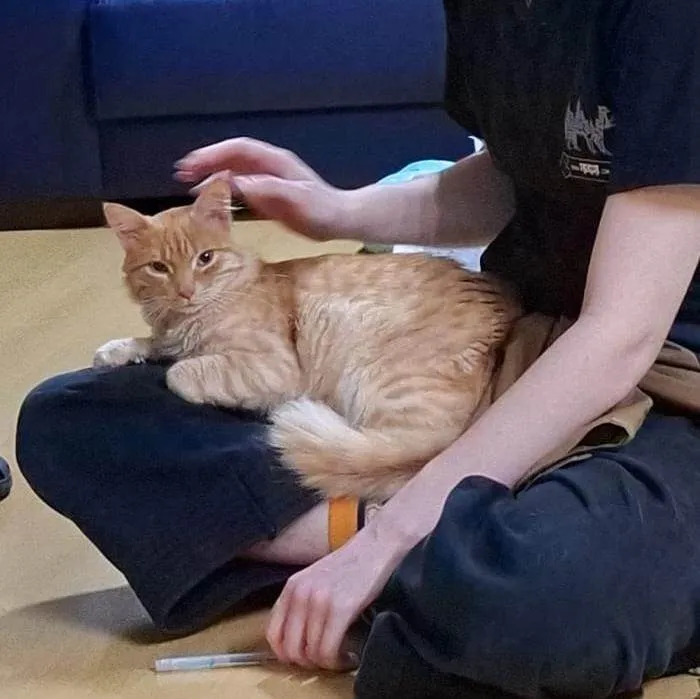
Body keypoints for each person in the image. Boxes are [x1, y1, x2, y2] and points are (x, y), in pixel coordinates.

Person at [15, 0, 700, 696]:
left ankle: (431, 536)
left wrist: (392, 535)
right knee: (68, 422)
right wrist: (337, 210)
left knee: (535, 600)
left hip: (664, 383)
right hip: (515, 345)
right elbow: (519, 174)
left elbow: (621, 336)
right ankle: (435, 533)